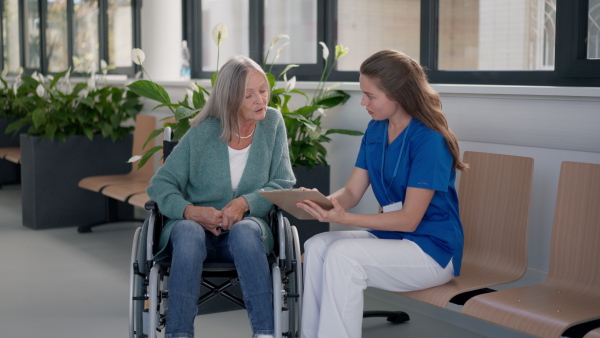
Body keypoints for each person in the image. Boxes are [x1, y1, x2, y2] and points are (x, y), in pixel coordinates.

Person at [296, 50, 467, 338]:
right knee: (316, 246)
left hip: (432, 250)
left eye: (370, 96)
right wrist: (325, 203)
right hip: (393, 240)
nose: (363, 102)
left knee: (342, 255)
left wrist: (345, 219)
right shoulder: (376, 130)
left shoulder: (429, 140)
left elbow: (410, 220)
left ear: (398, 94)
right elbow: (352, 190)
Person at [146, 55, 296, 338]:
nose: (260, 100)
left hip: (248, 231)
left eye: (263, 90)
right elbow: (161, 184)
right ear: (229, 99)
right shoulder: (203, 131)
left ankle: (265, 332)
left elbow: (283, 181)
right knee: (188, 232)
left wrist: (245, 204)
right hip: (195, 232)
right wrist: (191, 211)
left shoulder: (272, 123)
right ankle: (178, 334)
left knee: (244, 230)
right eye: (248, 94)